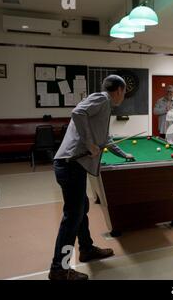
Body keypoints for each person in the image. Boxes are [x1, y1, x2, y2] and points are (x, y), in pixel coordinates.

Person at [49, 75, 133, 280]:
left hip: (73, 166)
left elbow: (105, 140)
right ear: (119, 90)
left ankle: (86, 249)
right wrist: (88, 143)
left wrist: (124, 155)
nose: (124, 96)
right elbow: (77, 112)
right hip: (70, 164)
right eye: (124, 92)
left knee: (81, 208)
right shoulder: (102, 98)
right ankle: (59, 268)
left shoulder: (104, 107)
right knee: (72, 216)